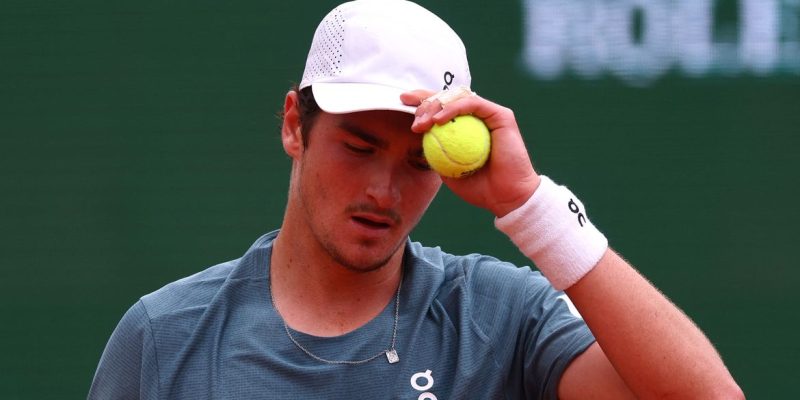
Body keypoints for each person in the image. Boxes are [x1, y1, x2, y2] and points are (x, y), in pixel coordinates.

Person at [88, 0, 744, 399]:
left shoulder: (502, 318)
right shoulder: (163, 339)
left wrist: (529, 204)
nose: (383, 190)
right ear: (295, 124)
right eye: (359, 145)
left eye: (416, 160)